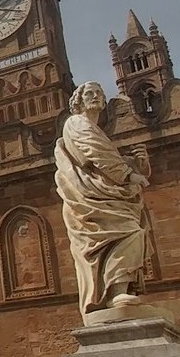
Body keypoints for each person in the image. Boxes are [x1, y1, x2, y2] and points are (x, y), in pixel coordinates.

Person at [54, 82, 152, 317]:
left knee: (129, 233)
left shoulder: (95, 128)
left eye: (99, 92)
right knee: (128, 232)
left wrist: (138, 164)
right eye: (89, 93)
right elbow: (95, 154)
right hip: (90, 198)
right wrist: (128, 174)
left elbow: (103, 160)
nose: (95, 96)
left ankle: (120, 289)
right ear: (78, 101)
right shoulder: (76, 122)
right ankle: (116, 291)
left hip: (104, 194)